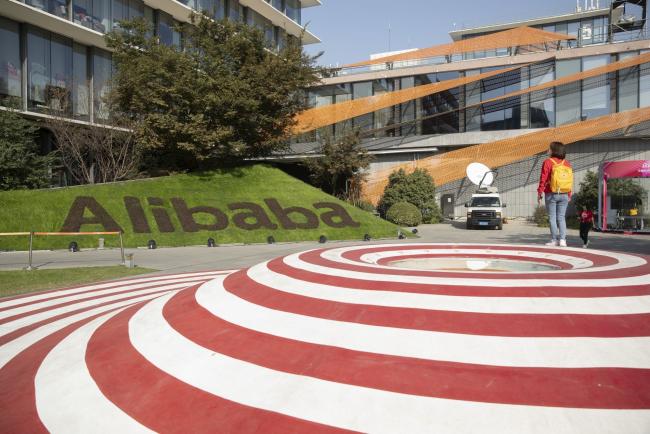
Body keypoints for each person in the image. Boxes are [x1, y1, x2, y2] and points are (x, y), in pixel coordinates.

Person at [537, 141, 573, 247]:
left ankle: (554, 240)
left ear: (553, 150)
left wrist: (539, 193)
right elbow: (569, 180)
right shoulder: (567, 163)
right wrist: (569, 194)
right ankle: (563, 240)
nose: (548, 150)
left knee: (552, 217)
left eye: (549, 148)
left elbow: (543, 179)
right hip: (564, 193)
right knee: (561, 217)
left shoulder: (547, 162)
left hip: (551, 194)